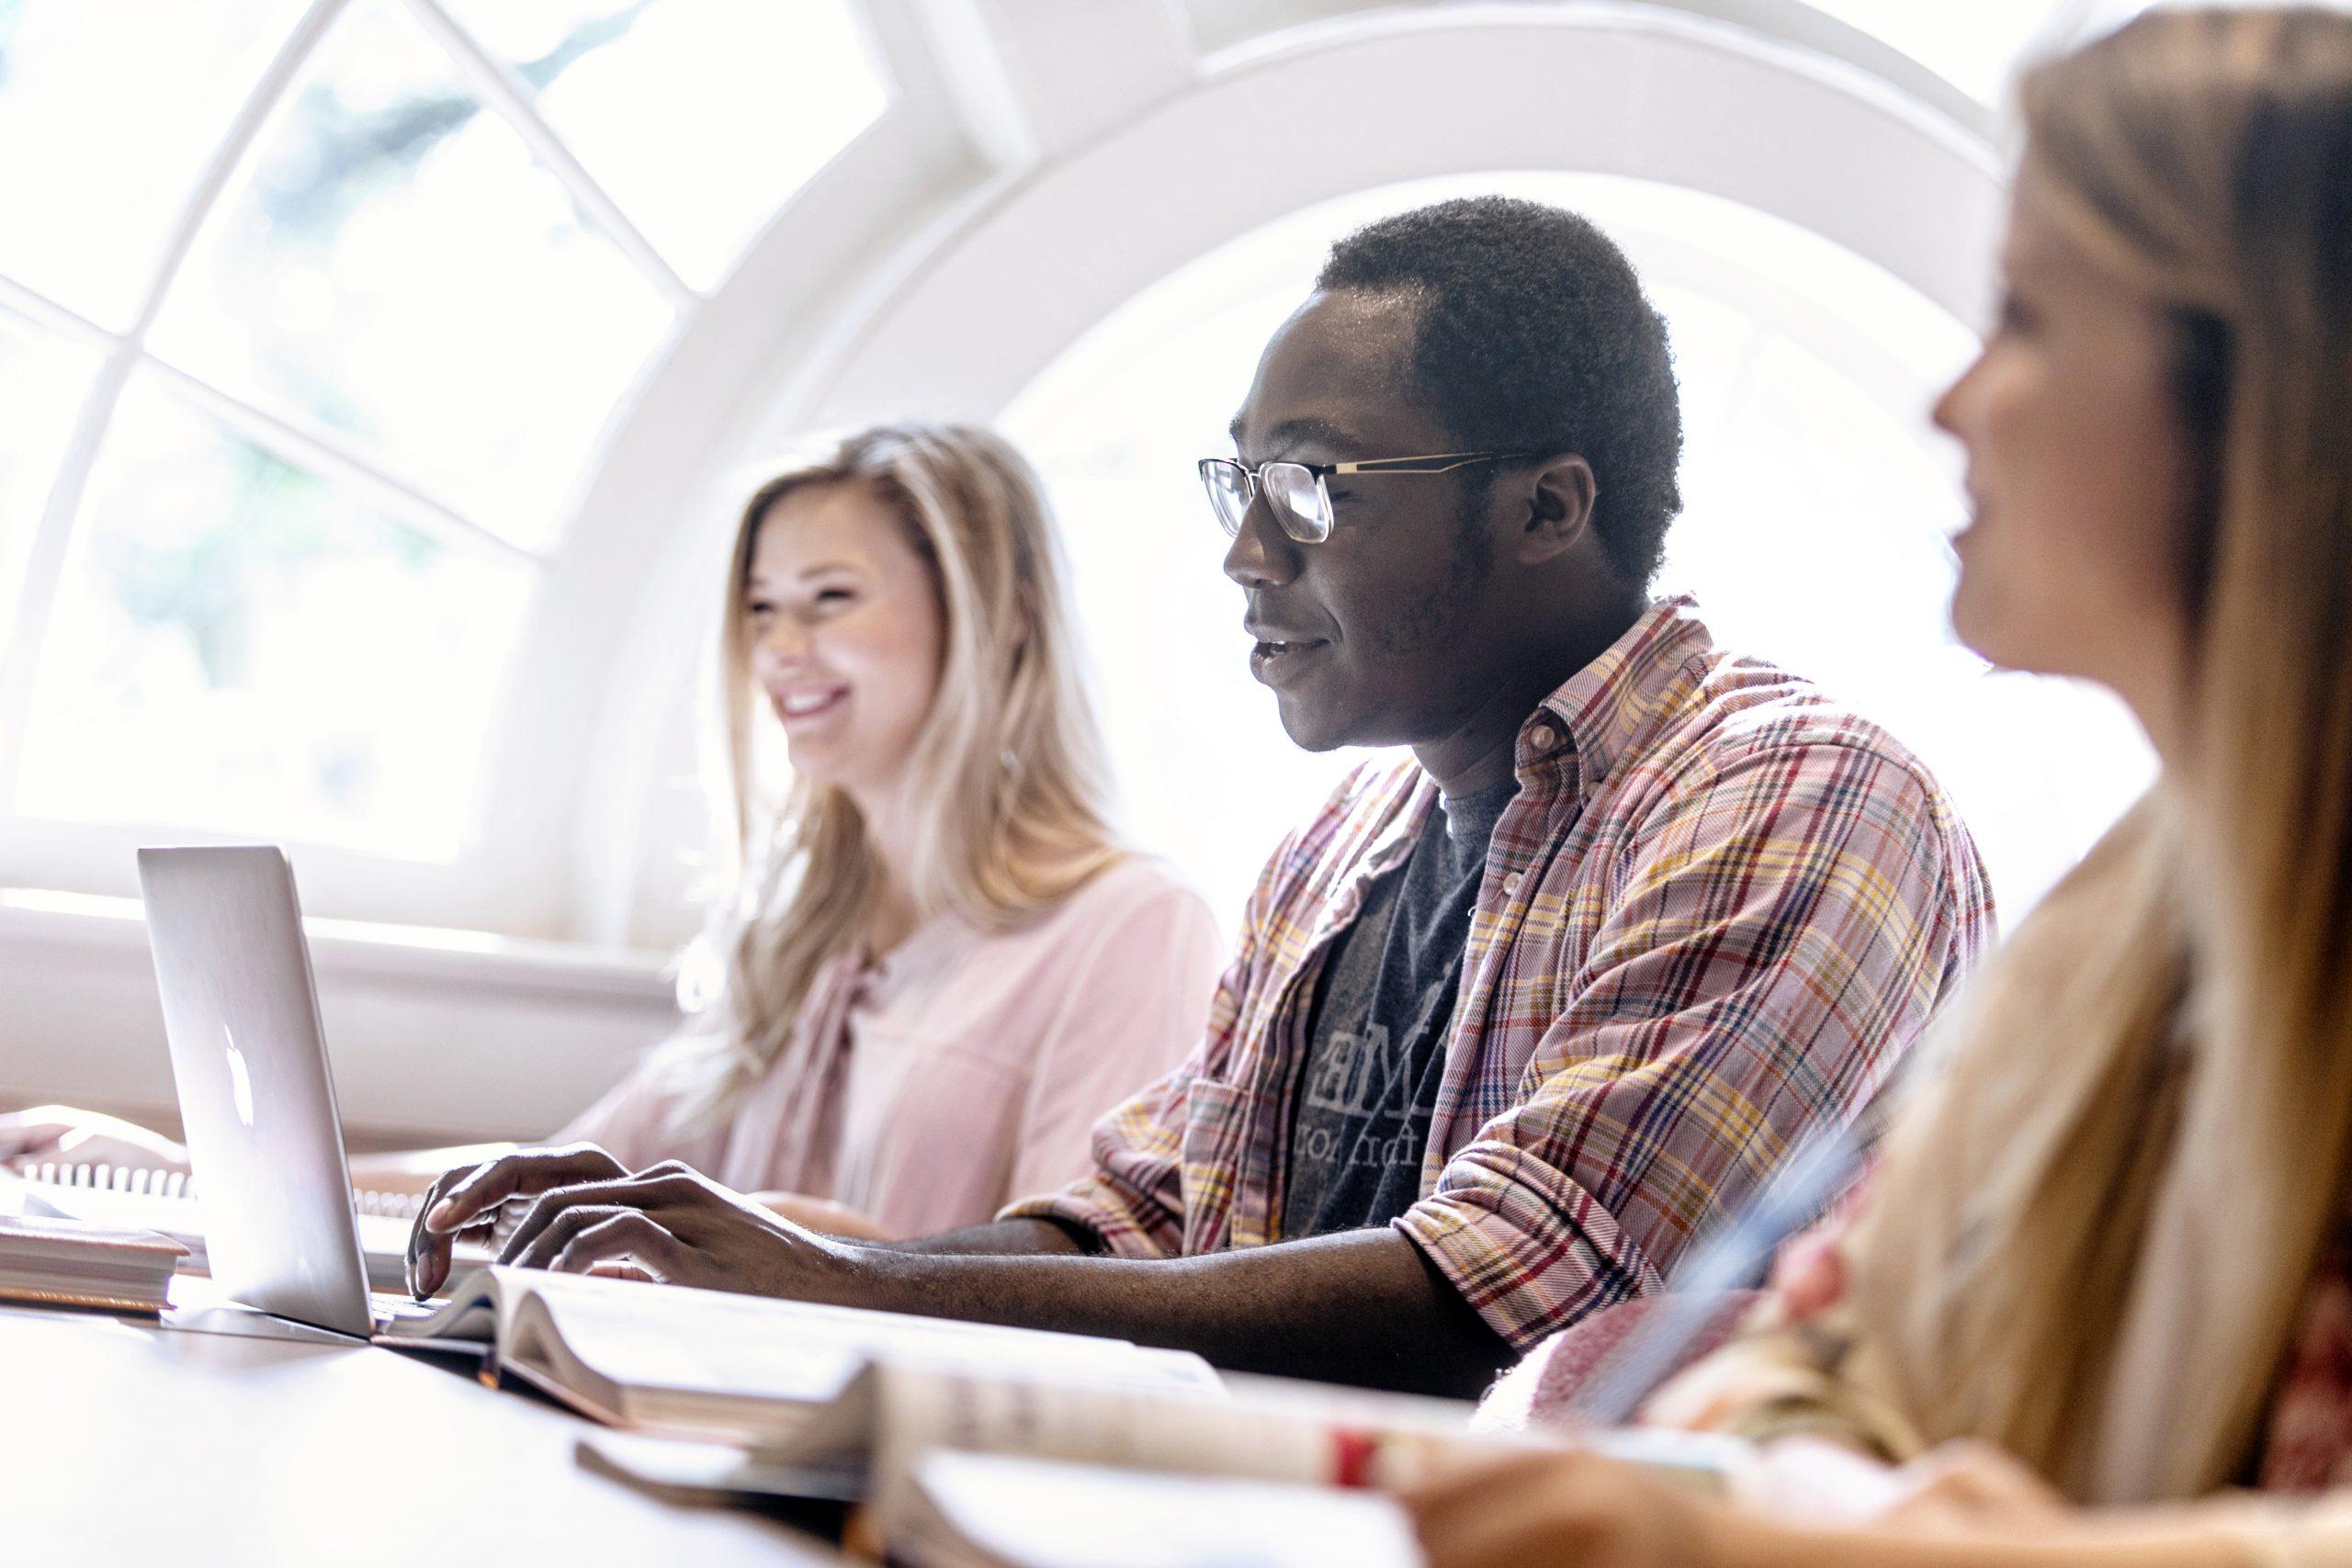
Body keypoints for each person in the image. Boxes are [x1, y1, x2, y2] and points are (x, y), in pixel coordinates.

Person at [407, 197, 1995, 1400]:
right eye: (1238, 481)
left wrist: (850, 1288)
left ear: (1548, 508)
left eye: (1313, 484)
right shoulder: (1339, 852)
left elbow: (1492, 1308)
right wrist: (765, 1266)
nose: (1248, 551)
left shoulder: (1798, 803)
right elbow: (1142, 1216)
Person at [1405, 8, 2352, 1563]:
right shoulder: (2097, 943)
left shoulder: (1822, 796)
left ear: (2272, 388)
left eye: (2030, 318)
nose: (1952, 401)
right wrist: (1866, 1512)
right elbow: (1791, 1364)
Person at [2, 425, 1222, 1244]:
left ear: (999, 617)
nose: (778, 651)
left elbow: (1069, 1288)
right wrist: (172, 1170)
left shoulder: (1128, 927)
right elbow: (557, 1172)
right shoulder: (803, 935)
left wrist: (733, 1239)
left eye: (830, 601)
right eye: (759, 612)